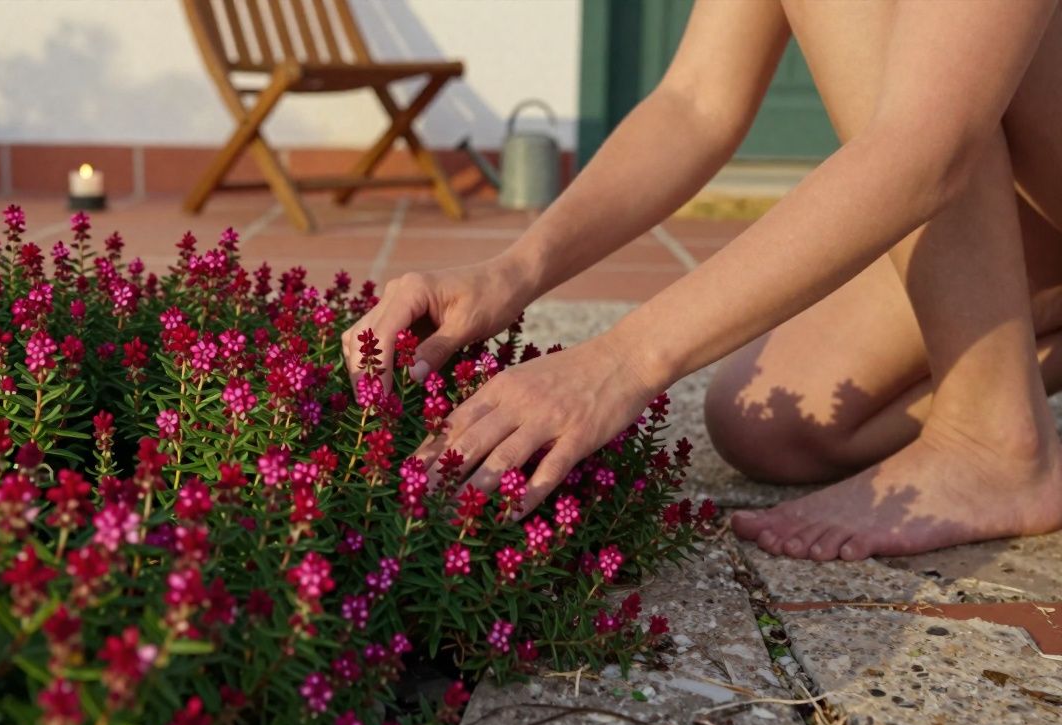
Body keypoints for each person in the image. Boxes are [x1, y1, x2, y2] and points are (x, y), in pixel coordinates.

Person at [341, 0, 1062, 562]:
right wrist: (513, 271)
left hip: (952, 149)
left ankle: (995, 439)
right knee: (770, 426)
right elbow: (696, 102)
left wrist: (620, 361)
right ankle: (1004, 381)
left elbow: (927, 149)